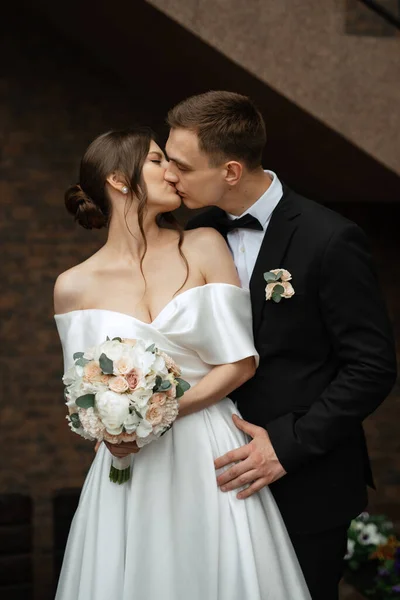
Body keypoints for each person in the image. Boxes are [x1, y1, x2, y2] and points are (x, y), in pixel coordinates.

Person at [53, 128, 311, 599]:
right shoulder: (73, 286)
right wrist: (113, 431)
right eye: (157, 161)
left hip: (210, 449)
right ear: (118, 178)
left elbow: (240, 363)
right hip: (131, 463)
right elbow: (85, 391)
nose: (172, 173)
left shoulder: (205, 243)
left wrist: (158, 411)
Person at [164, 91, 398, 600]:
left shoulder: (330, 239)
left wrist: (287, 446)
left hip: (304, 482)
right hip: (212, 475)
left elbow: (372, 367)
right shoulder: (195, 230)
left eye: (181, 165)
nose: (168, 175)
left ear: (230, 170)